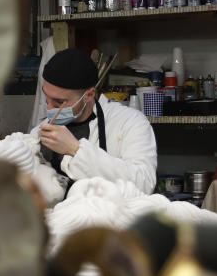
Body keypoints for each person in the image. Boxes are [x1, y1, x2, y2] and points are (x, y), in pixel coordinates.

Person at [33, 48, 156, 196]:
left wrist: (75, 150)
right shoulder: (42, 129)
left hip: (108, 217)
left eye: (59, 102)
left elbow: (144, 183)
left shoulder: (129, 122)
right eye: (47, 98)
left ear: (89, 95)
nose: (49, 108)